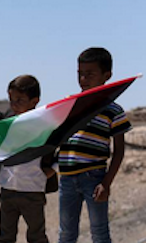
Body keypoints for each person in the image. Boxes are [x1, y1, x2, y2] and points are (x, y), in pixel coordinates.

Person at [57, 48, 132, 243]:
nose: (83, 79)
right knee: (66, 233)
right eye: (80, 73)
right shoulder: (69, 104)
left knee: (99, 233)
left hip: (94, 178)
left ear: (106, 76)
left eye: (89, 74)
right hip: (66, 178)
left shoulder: (113, 110)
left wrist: (106, 183)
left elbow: (119, 151)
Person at [0, 66, 57, 243]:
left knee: (37, 237)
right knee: (5, 237)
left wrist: (50, 171)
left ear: (34, 101)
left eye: (20, 100)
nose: (14, 104)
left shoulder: (44, 126)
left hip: (33, 190)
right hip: (8, 188)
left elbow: (61, 147)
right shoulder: (7, 122)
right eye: (11, 99)